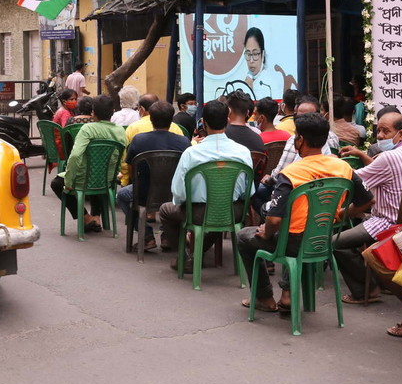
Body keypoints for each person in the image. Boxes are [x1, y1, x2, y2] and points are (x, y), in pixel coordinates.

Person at [236, 112, 373, 312]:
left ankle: (263, 298)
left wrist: (266, 232)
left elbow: (274, 219)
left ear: (300, 140)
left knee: (244, 236)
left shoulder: (291, 173)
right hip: (323, 238)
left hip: (293, 242)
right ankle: (287, 294)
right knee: (291, 225)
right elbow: (368, 201)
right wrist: (339, 215)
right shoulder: (343, 168)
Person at [335, 111, 402, 333]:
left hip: (388, 222)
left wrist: (329, 164)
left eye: (386, 131)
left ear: (401, 133)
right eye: (379, 130)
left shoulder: (389, 157)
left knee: (336, 242)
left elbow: (353, 180)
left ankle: (366, 289)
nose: (380, 136)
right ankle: (371, 284)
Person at [159, 100, 253, 270]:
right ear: (228, 120)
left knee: (166, 210)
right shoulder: (243, 152)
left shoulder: (191, 153)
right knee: (219, 212)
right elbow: (249, 192)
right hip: (233, 212)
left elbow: (179, 193)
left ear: (203, 122)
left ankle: (185, 256)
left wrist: (185, 203)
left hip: (198, 213)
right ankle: (196, 253)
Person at [117, 101, 190, 251]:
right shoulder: (183, 142)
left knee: (122, 195)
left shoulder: (139, 140)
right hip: (174, 194)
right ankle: (167, 235)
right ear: (172, 120)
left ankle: (146, 236)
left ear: (150, 119)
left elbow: (130, 168)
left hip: (144, 193)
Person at [50, 95, 127, 232]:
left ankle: (86, 218)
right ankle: (96, 217)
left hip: (85, 179)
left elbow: (75, 156)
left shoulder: (88, 129)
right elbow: (122, 157)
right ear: (113, 112)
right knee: (99, 174)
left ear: (93, 112)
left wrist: (69, 180)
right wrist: (117, 173)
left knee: (56, 184)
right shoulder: (121, 131)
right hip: (107, 180)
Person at [241, 27, 282, 100]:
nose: (251, 60)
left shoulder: (271, 84)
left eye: (255, 54)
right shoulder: (242, 82)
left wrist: (250, 92)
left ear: (262, 54)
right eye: (248, 54)